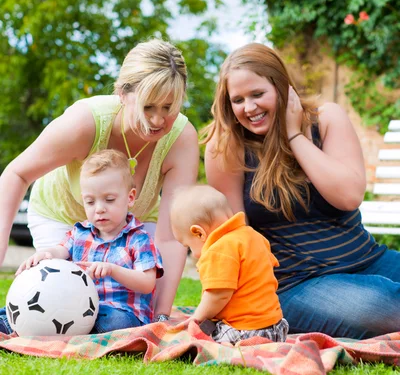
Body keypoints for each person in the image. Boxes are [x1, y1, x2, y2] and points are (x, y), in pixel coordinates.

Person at [203, 42, 400, 340]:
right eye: (238, 100)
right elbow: (233, 236)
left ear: (282, 87)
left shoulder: (326, 119)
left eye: (258, 94)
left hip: (367, 258)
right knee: (386, 307)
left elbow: (348, 196)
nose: (249, 108)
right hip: (296, 284)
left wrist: (294, 134)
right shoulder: (226, 148)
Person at [0, 38, 199, 321]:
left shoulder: (181, 139)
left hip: (135, 224)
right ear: (122, 93)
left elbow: (170, 236)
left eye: (168, 107)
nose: (157, 120)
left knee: (127, 307)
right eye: (148, 107)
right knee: (65, 301)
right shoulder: (86, 122)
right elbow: (16, 174)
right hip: (64, 218)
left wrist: (161, 315)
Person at [0, 150, 163, 334]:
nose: (99, 209)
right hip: (77, 307)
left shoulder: (139, 239)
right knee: (39, 304)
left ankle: (74, 329)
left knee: (115, 323)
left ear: (130, 198)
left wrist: (113, 270)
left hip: (121, 311)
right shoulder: (80, 233)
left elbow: (147, 283)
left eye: (109, 200)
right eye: (90, 202)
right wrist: (46, 254)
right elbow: (60, 251)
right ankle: (7, 321)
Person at [170, 184, 288, 344]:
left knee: (203, 331)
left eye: (188, 246)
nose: (193, 253)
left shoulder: (218, 249)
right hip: (275, 328)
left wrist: (196, 318)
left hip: (245, 331)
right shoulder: (253, 236)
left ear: (199, 233)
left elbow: (218, 295)